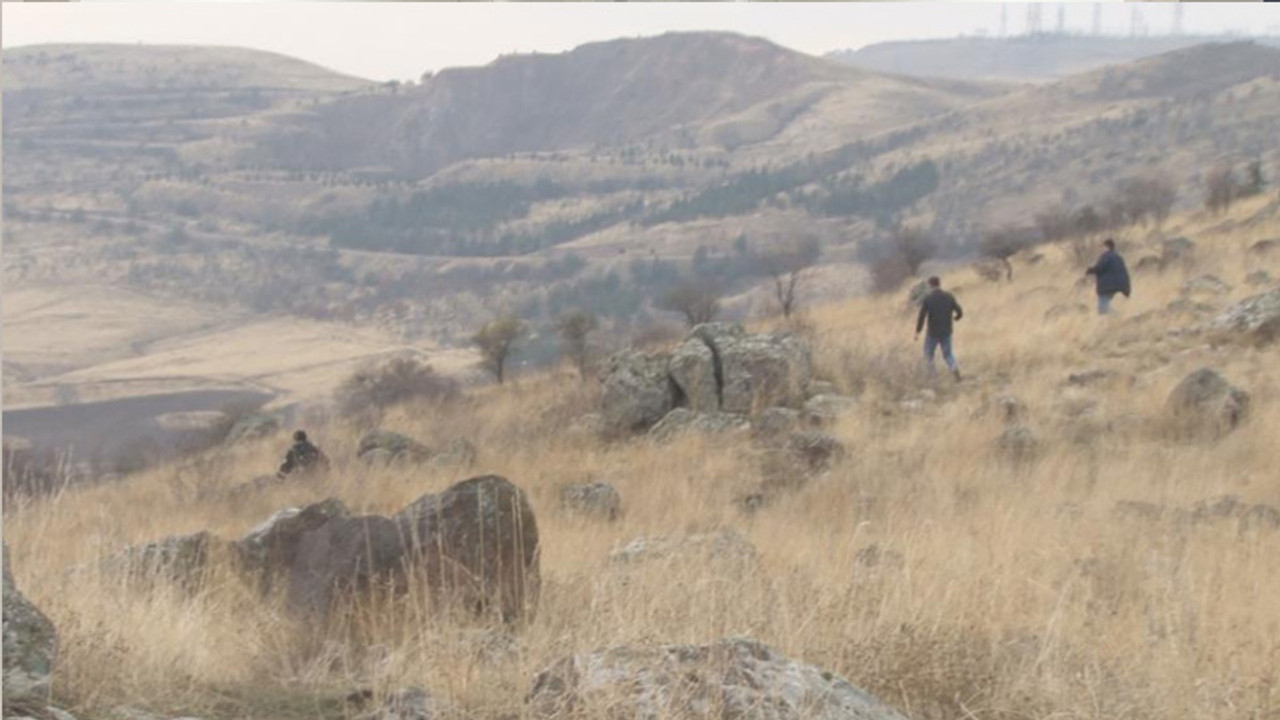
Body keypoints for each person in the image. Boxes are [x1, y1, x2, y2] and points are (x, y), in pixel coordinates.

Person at [915, 276, 963, 381]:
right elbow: (959, 310)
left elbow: (922, 316)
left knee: (928, 354)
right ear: (939, 284)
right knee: (948, 354)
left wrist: (918, 331)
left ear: (930, 285)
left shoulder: (928, 299)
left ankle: (933, 376)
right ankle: (953, 367)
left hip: (933, 332)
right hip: (947, 330)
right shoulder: (949, 296)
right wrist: (957, 317)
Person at [1084, 238, 1131, 315]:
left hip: (1108, 286)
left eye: (1102, 246)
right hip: (1119, 286)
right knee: (1107, 306)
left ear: (1106, 247)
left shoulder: (1106, 256)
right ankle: (1115, 320)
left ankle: (1117, 319)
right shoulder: (1118, 257)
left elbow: (1100, 268)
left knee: (1102, 308)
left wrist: (1089, 271)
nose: (1100, 249)